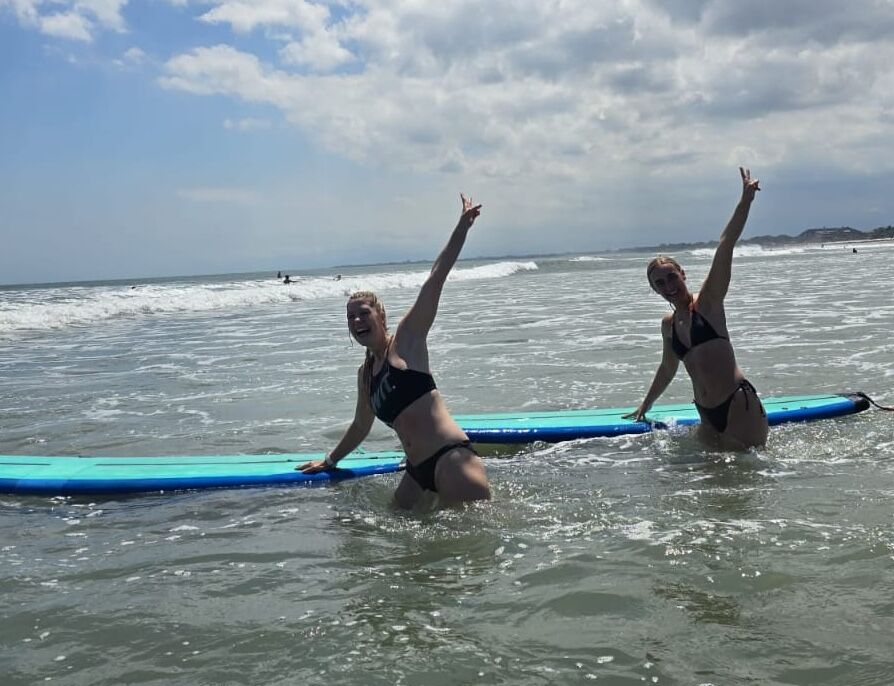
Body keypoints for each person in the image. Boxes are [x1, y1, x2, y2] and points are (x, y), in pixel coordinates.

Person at [299, 194, 491, 508]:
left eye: (363, 313)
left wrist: (462, 227)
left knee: (472, 552)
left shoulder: (406, 342)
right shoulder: (366, 376)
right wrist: (329, 460)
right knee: (394, 546)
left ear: (381, 316)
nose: (357, 320)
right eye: (351, 317)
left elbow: (435, 279)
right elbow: (361, 425)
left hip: (452, 461)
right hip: (417, 472)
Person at [624, 168, 768, 450]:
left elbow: (726, 245)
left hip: (739, 407)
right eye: (659, 283)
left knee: (748, 481)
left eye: (671, 277)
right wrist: (645, 405)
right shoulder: (668, 325)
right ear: (654, 290)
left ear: (683, 274)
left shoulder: (709, 303)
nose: (668, 286)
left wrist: (746, 199)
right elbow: (667, 369)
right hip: (706, 415)